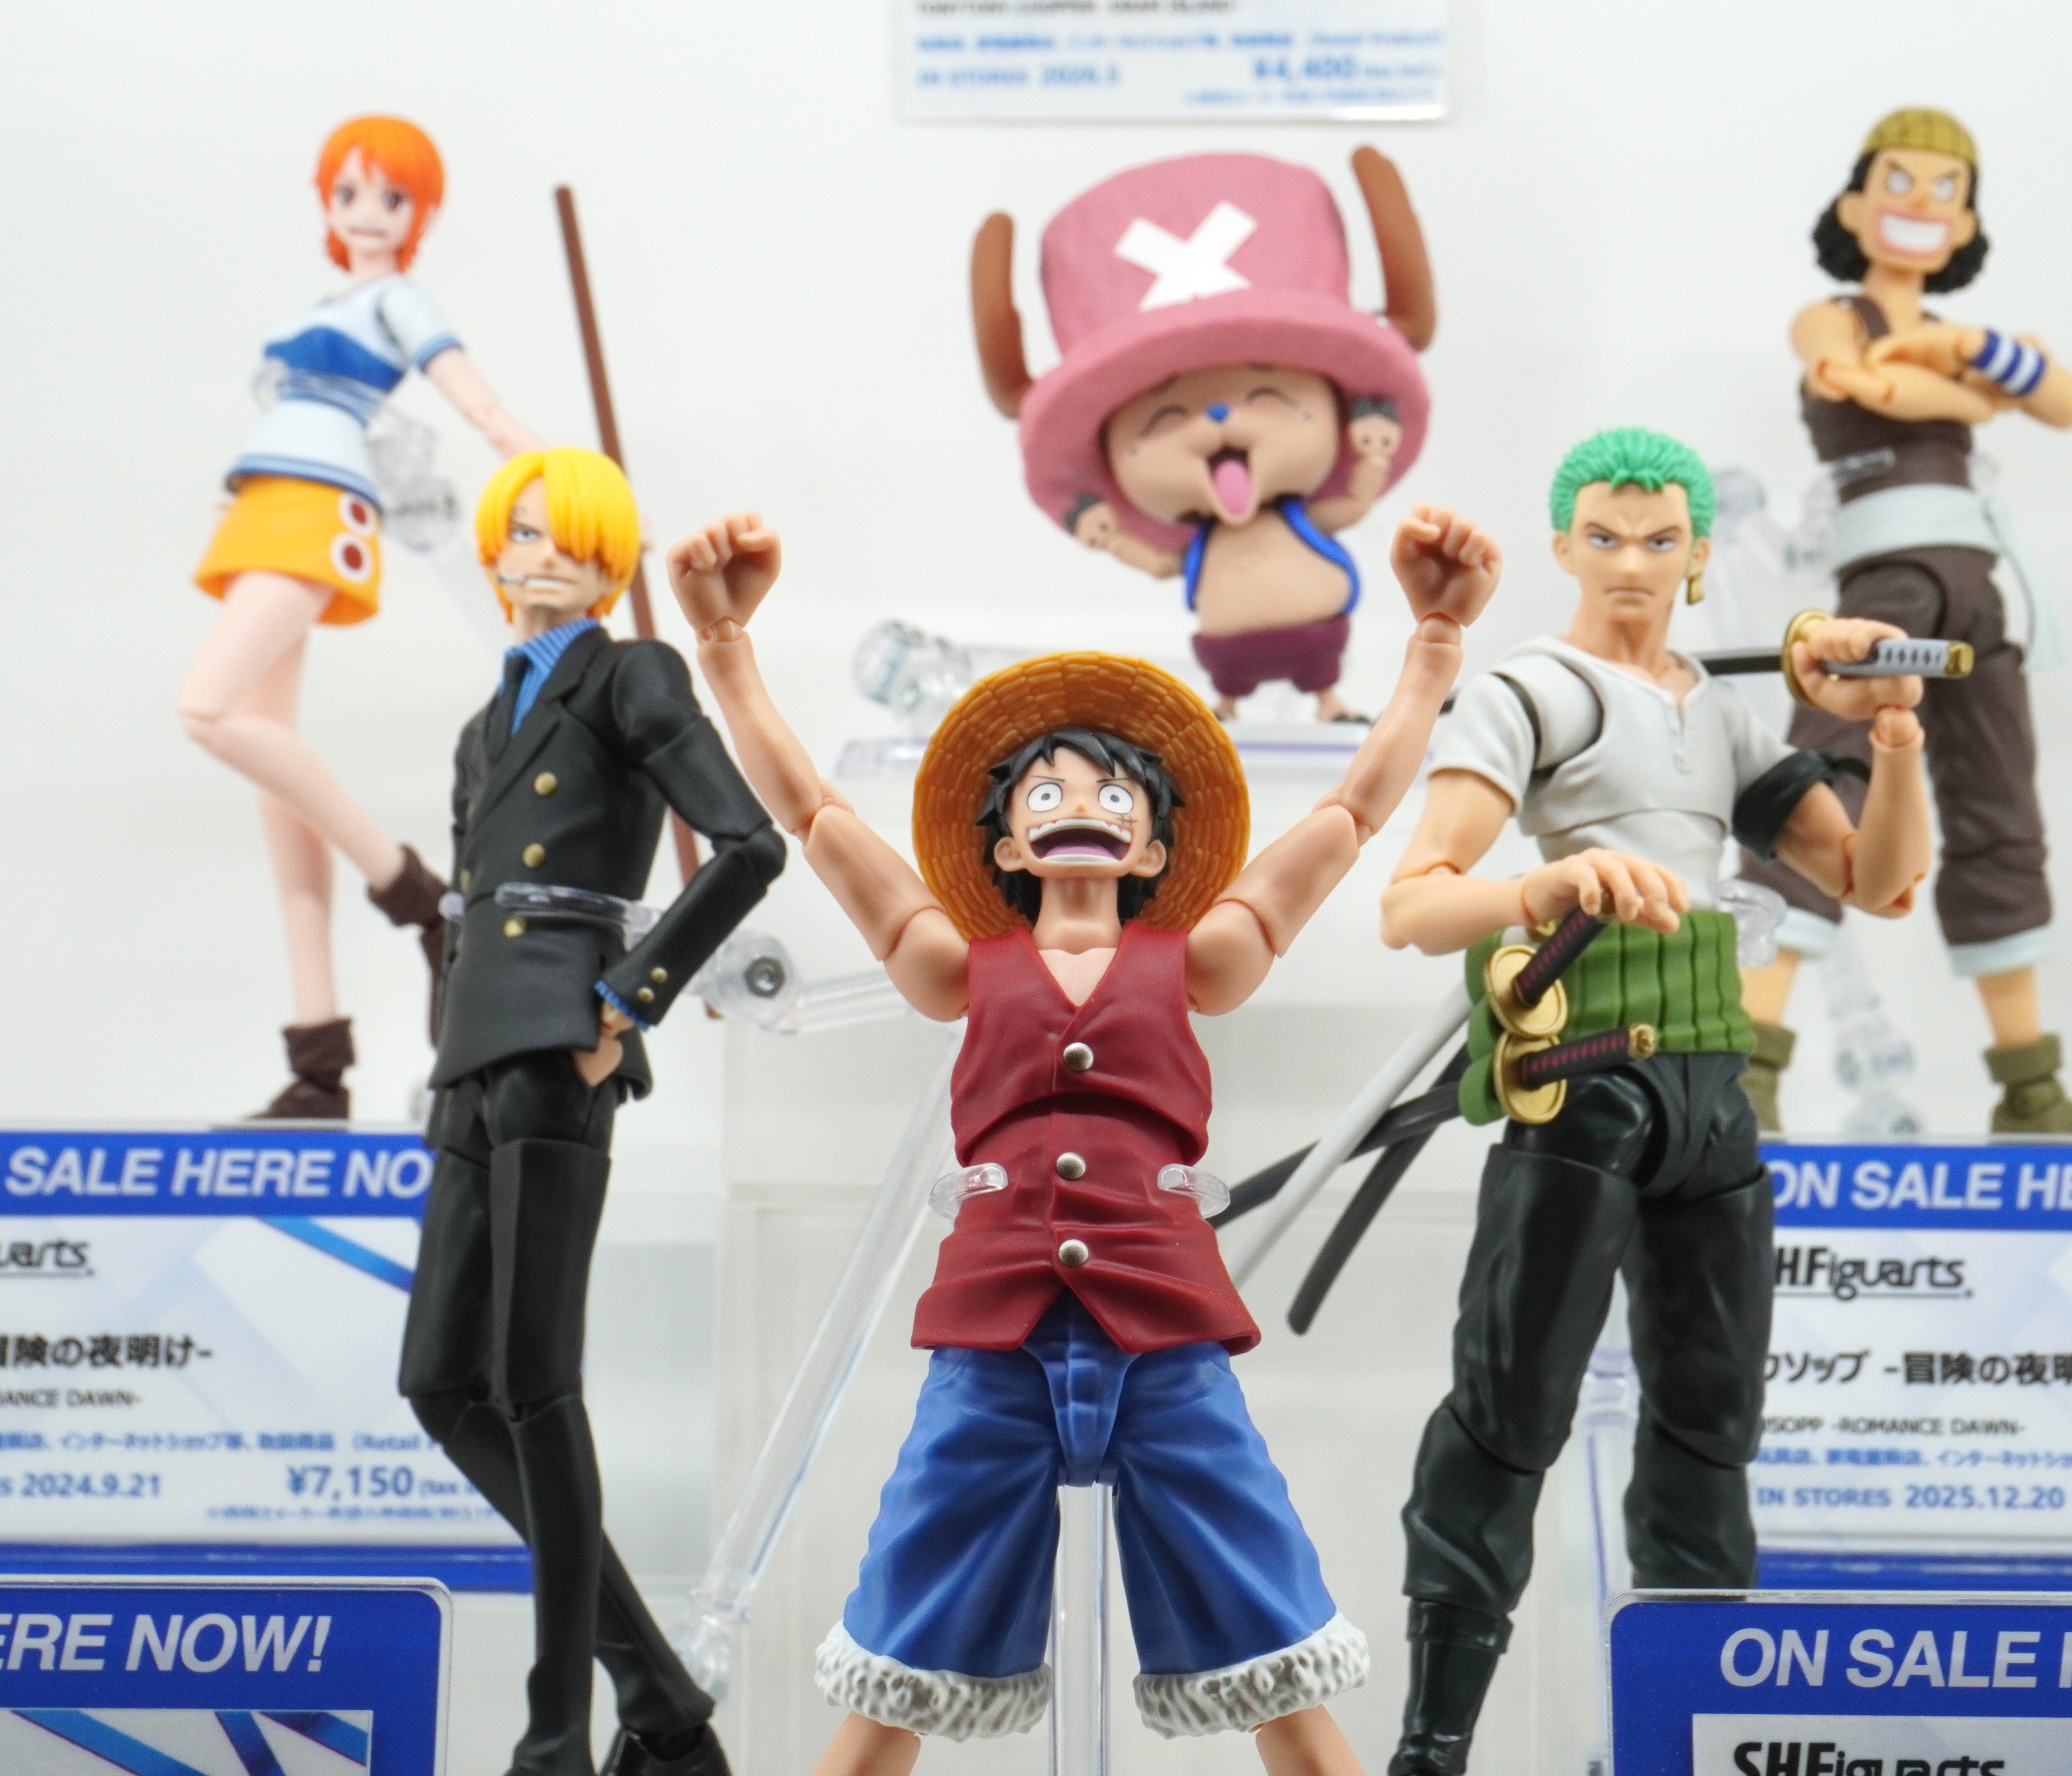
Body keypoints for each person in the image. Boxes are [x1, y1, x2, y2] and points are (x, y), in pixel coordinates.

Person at [668, 499, 1499, 1775]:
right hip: (994, 1332)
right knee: (905, 1636)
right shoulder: (956, 962)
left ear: (1153, 844)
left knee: (1268, 1625)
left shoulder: (1200, 956)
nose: (1081, 807)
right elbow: (817, 816)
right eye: (1046, 791)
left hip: (1162, 1327)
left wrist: (1431, 649)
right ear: (1006, 839)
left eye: (1113, 794)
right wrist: (728, 654)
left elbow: (1347, 816)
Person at [1375, 429, 1933, 1776]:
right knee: (1509, 1407)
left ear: (1697, 555)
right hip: (1583, 1086)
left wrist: (1896, 734)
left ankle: (1692, 1726)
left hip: (1711, 1093)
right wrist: (1542, 886)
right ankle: (1434, 1743)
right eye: (1607, 536)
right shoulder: (1532, 692)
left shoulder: (1720, 713)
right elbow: (1413, 900)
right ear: (1564, 547)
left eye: (1661, 539)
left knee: (1709, 1424)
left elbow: (1878, 882)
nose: (1633, 561)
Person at [399, 449, 784, 1776]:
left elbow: (749, 846)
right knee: (439, 1385)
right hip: (474, 1049)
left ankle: (557, 1732)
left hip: (562, 1034)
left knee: (534, 1381)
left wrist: (629, 997)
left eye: (568, 536)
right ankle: (661, 1703)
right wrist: (443, 1047)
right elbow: (469, 902)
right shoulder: (483, 725)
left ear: (610, 556)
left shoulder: (631, 674)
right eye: (520, 533)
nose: (541, 556)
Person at [1734, 106, 2072, 1136]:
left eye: (1945, 189)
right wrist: (1978, 381)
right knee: (1819, 789)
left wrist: (1968, 351)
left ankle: (2032, 1091)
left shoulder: (1959, 336)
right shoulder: (1831, 317)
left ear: (1966, 223)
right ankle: (1745, 1076)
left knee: (2000, 812)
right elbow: (1856, 379)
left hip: (1978, 586)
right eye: (1900, 180)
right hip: (1886, 582)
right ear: (1854, 204)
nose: (1921, 203)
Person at [179, 114, 543, 1117]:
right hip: (262, 506)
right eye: (348, 192)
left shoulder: (398, 300)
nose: (367, 212)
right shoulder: (329, 301)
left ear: (419, 211)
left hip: (316, 511)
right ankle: (318, 1066)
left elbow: (474, 399)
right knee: (274, 787)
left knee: (207, 711)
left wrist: (541, 466)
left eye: (391, 196)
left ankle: (417, 898)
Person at [973, 149, 1434, 720]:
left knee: (1319, 678)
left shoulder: (1301, 517)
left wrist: (1372, 456)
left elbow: (1354, 504)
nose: (1218, 418)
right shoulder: (1198, 545)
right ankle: (1226, 707)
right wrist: (1111, 538)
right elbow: (1161, 564)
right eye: (1165, 415)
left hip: (1319, 636)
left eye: (1264, 392)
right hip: (1226, 650)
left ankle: (1327, 701)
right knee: (1228, 692)